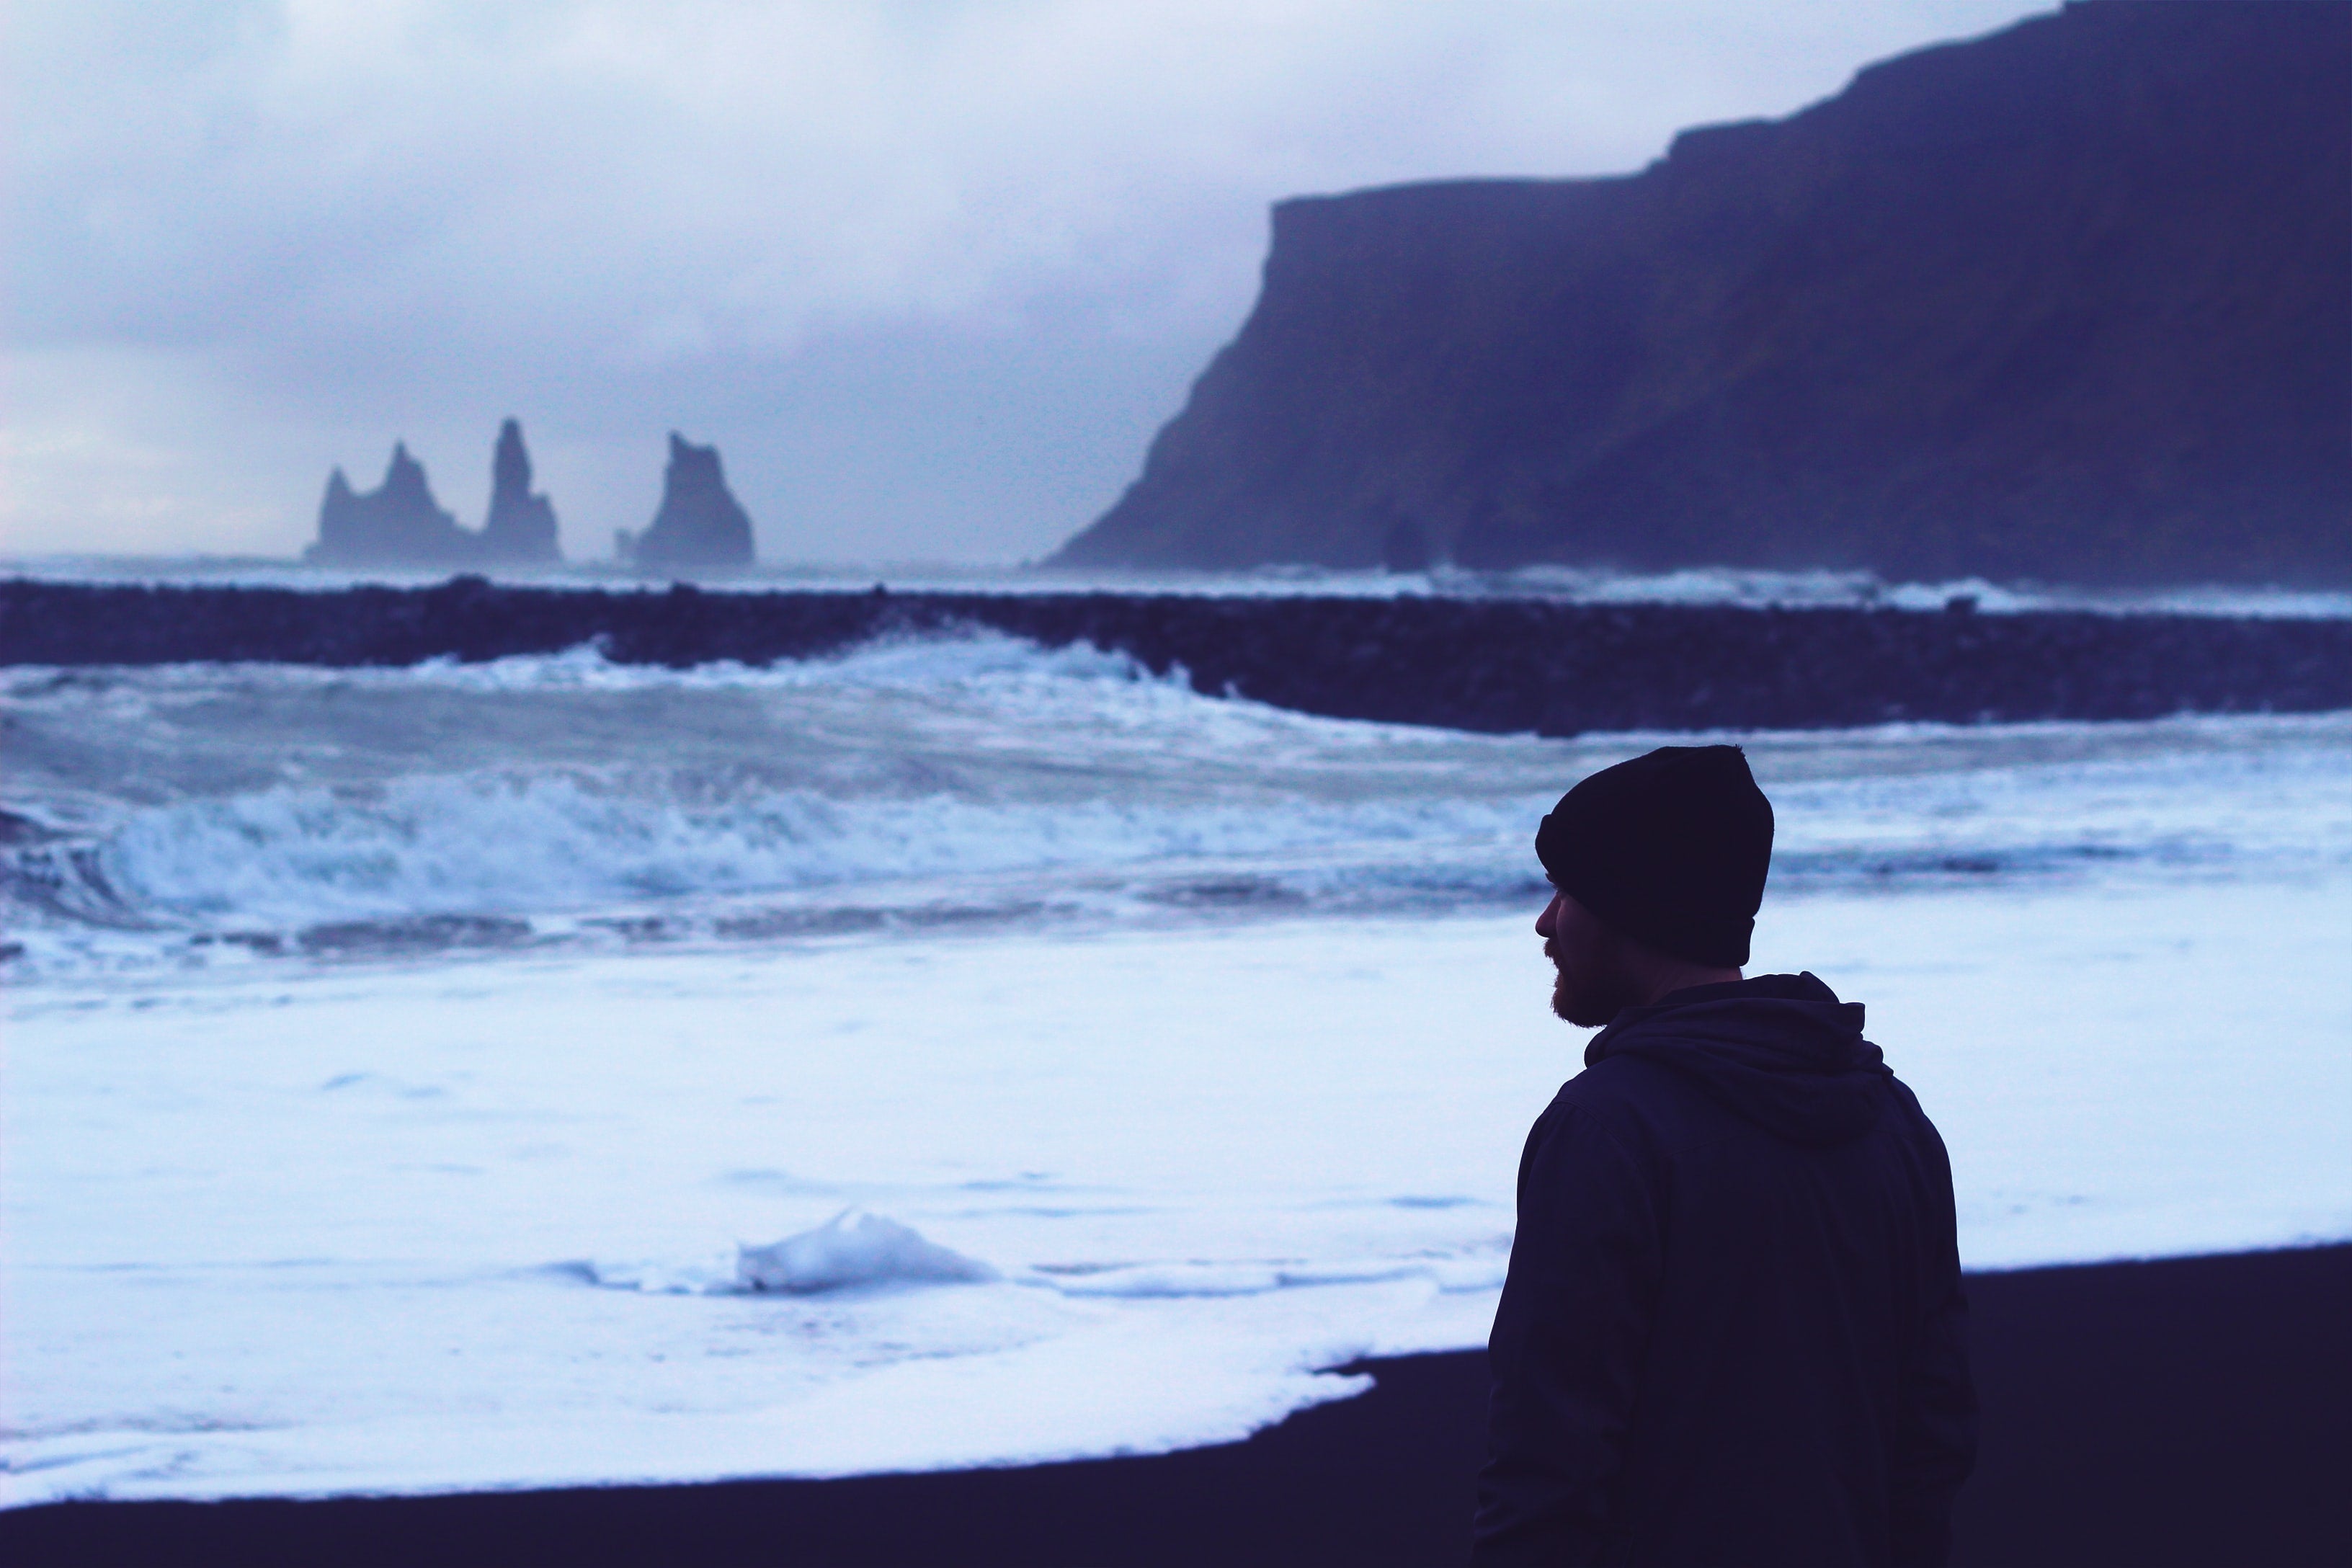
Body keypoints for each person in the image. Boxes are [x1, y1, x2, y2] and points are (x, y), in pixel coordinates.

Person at [1473, 745, 1975, 1567]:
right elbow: (1935, 1426)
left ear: (1627, 908)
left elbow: (1549, 1450)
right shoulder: (1889, 1116)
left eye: (1567, 891)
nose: (1545, 921)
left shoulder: (1609, 1126)